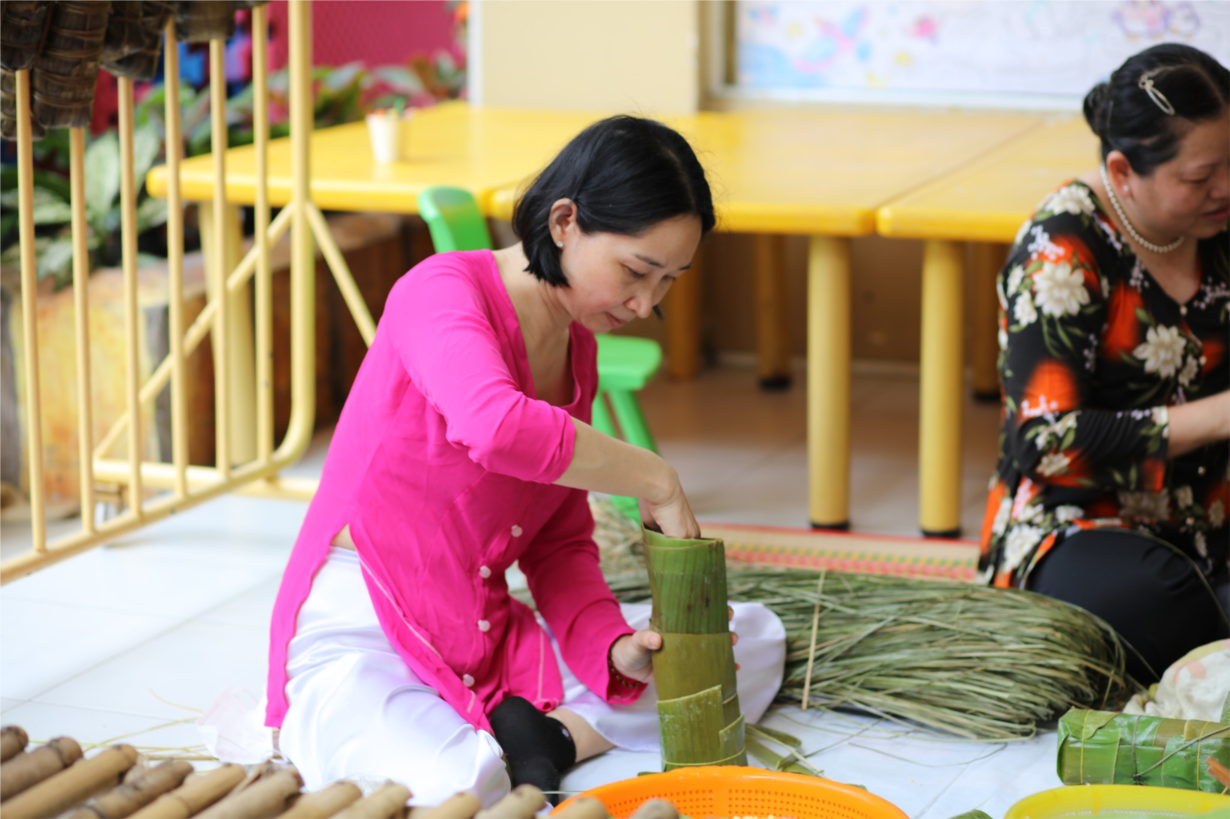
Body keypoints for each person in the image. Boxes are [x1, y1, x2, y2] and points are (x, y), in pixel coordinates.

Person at [263, 116, 787, 805]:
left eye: (668, 281)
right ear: (564, 221)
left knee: (755, 639)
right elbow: (494, 426)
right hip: (368, 623)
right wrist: (655, 477)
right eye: (636, 272)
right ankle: (517, 739)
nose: (645, 304)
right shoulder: (439, 291)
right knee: (460, 781)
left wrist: (615, 649)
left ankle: (551, 738)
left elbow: (559, 544)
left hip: (480, 632)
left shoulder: (578, 351)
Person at [981, 43, 1230, 683]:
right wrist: (1218, 416)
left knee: (1191, 605)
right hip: (1083, 522)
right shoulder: (1063, 246)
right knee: (1150, 600)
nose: (1225, 188)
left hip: (1214, 512)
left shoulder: (1222, 223)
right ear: (1122, 171)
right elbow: (1046, 442)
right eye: (1200, 177)